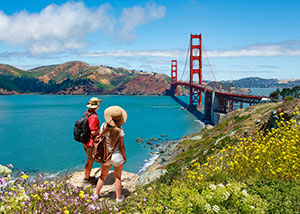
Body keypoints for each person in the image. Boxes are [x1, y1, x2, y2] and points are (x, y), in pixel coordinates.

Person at [94, 106, 127, 202]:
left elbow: (101, 137)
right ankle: (118, 198)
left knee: (102, 176)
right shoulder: (120, 130)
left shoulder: (104, 126)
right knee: (118, 178)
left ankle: (96, 195)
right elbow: (122, 146)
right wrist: (124, 157)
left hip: (106, 155)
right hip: (117, 156)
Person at [82, 97, 102, 184]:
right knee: (90, 160)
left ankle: (87, 176)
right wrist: (101, 130)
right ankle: (86, 179)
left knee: (89, 159)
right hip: (90, 142)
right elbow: (93, 131)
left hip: (85, 140)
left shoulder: (87, 112)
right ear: (97, 106)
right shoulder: (93, 116)